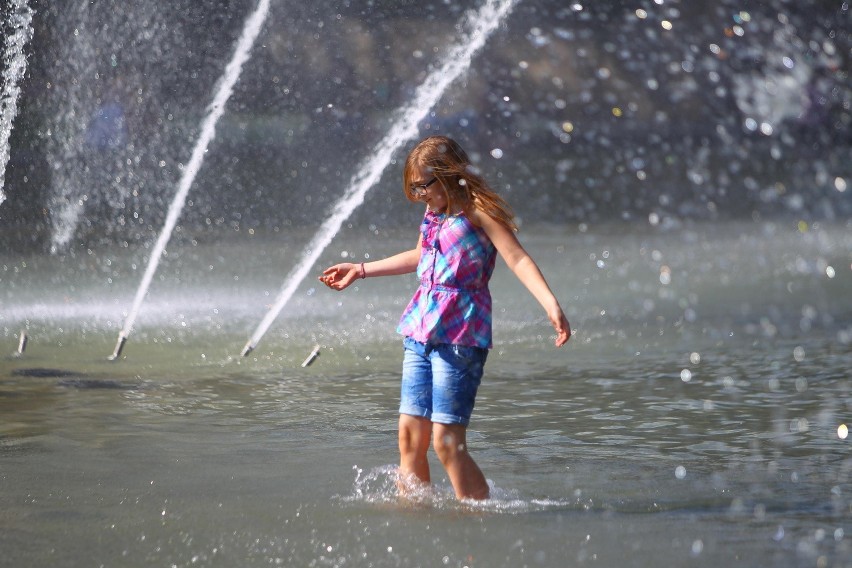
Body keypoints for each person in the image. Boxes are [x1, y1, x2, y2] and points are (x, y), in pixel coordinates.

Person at [319, 136, 571, 500]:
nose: (420, 194)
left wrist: (550, 304)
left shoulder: (478, 210)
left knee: (446, 442)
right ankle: (415, 520)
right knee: (409, 435)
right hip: (420, 328)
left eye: (425, 185)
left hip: (461, 334)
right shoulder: (433, 213)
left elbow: (517, 258)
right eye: (415, 187)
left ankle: (476, 519)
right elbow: (420, 256)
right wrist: (360, 269)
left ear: (449, 174)